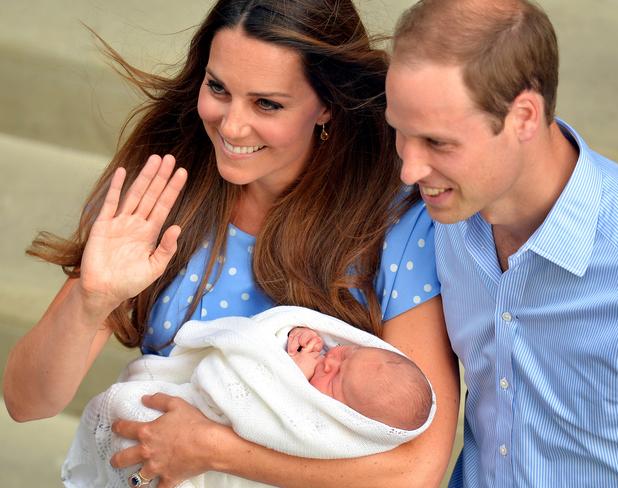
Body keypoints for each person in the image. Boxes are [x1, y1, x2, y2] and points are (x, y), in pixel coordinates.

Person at [3, 1, 459, 487]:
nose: (232, 126)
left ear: (327, 104)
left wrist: (215, 449)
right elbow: (27, 402)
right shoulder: (165, 189)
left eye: (267, 104)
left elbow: (416, 471)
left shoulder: (396, 225)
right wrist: (89, 303)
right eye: (218, 88)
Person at [386, 0, 618, 486]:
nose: (410, 169)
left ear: (524, 116)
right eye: (400, 133)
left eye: (438, 143)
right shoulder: (433, 213)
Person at [63, 306, 436, 488]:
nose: (330, 358)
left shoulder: (325, 432)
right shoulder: (321, 358)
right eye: (348, 354)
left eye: (336, 378)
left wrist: (287, 368)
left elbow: (238, 393)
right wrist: (288, 340)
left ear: (351, 420)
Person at [288, 324, 433, 431]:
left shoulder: (322, 426)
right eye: (344, 354)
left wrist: (294, 374)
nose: (329, 362)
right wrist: (302, 335)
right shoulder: (324, 356)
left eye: (335, 379)